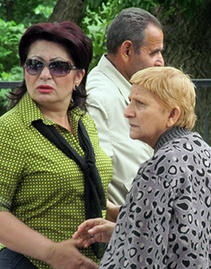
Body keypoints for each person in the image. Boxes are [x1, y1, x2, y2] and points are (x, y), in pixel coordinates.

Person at [74, 66, 211, 268]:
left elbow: (139, 258)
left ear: (172, 115)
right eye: (129, 102)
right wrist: (122, 229)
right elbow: (197, 240)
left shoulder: (161, 166)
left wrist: (125, 240)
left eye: (140, 104)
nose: (127, 112)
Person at [0, 22, 112, 269]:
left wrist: (124, 216)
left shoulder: (83, 122)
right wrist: (51, 252)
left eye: (59, 67)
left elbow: (85, 186)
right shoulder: (11, 129)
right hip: (29, 263)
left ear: (79, 76)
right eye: (34, 64)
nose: (45, 75)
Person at [86, 7, 164, 205]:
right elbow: (95, 179)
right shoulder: (98, 97)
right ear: (127, 50)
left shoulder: (130, 87)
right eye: (154, 52)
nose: (161, 62)